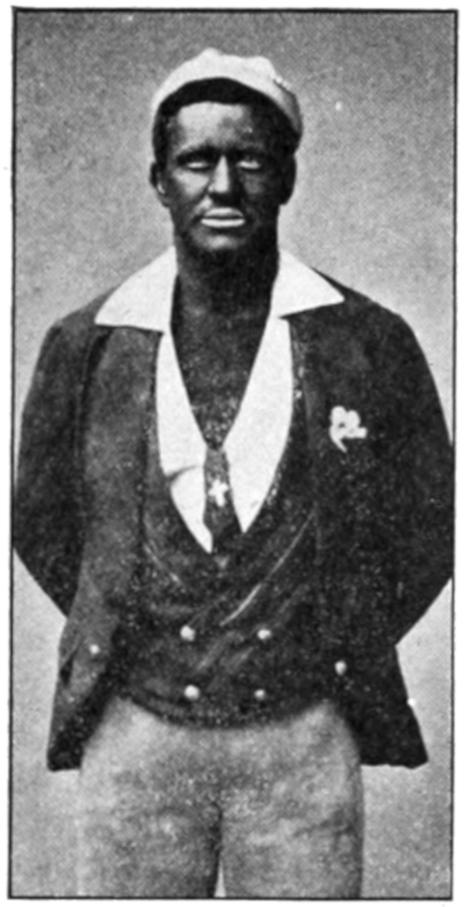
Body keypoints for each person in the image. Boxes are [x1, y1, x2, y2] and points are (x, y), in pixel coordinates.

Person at [14, 49, 453, 898]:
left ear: (286, 177)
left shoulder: (367, 341)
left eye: (249, 160)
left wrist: (332, 628)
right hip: (135, 737)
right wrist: (127, 609)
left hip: (301, 740)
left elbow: (432, 526)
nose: (223, 185)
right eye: (196, 160)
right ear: (159, 181)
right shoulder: (86, 344)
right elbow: (39, 520)